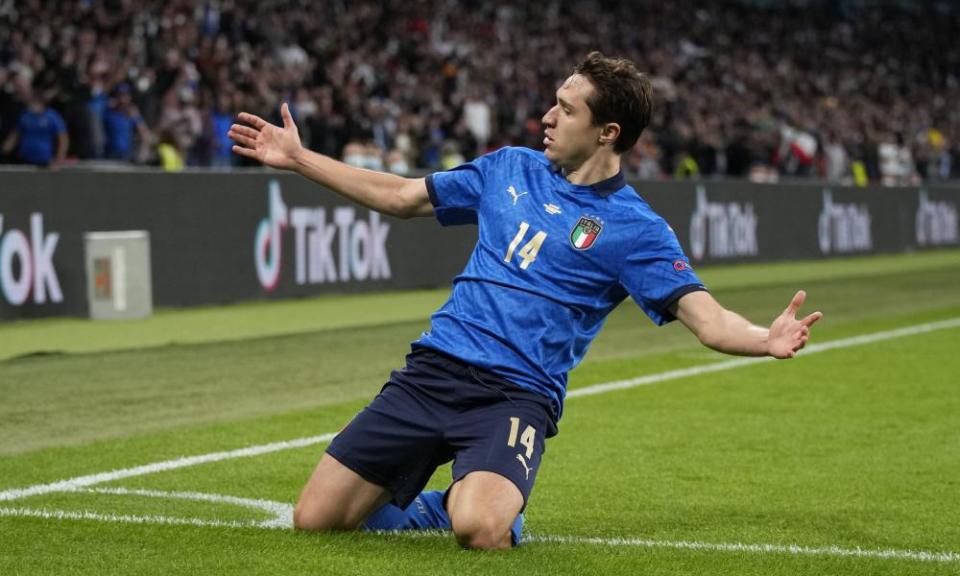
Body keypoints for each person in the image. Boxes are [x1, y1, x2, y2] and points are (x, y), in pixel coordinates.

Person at [228, 52, 822, 551]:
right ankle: (434, 500)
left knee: (482, 530)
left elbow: (708, 319)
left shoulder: (636, 229)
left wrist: (762, 340)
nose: (547, 117)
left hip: (516, 395)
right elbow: (403, 197)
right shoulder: (507, 168)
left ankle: (474, 501)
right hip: (433, 371)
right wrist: (300, 159)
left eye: (566, 110)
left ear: (607, 132)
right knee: (315, 521)